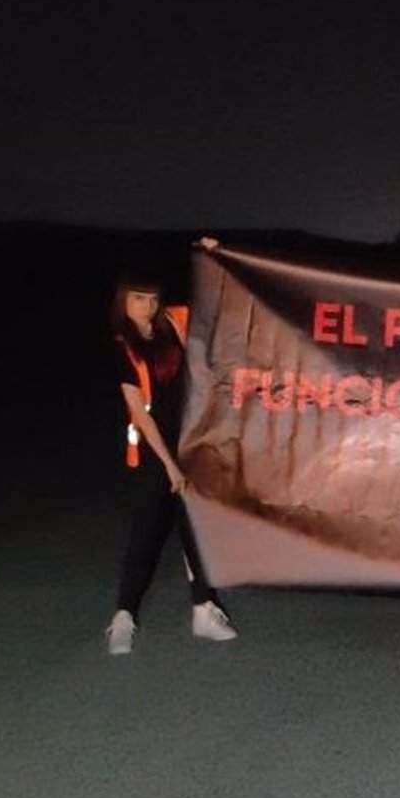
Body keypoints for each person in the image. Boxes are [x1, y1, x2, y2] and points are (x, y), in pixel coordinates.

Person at [105, 261, 236, 654]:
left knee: (195, 529)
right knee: (145, 535)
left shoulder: (175, 325)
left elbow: (216, 302)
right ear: (123, 301)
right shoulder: (122, 346)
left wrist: (216, 259)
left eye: (152, 298)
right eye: (138, 298)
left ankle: (204, 609)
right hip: (154, 453)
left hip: (191, 442)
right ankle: (123, 617)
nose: (146, 305)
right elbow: (140, 414)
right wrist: (169, 465)